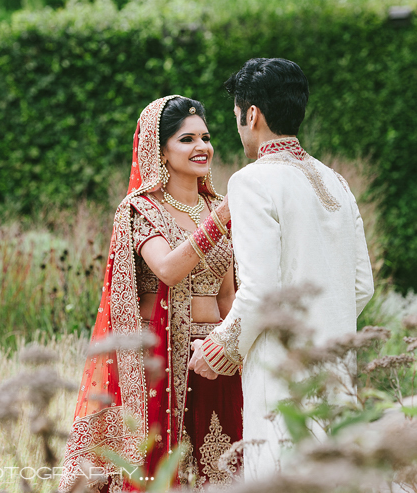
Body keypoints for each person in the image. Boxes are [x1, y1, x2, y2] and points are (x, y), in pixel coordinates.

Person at [188, 58, 375, 478]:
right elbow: (362, 285)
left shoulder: (252, 181)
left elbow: (259, 290)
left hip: (281, 368)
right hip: (338, 366)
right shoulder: (337, 182)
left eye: (236, 115)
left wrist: (219, 349)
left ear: (251, 114)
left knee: (280, 475)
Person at [59, 96, 243, 492]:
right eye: (187, 139)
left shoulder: (216, 204)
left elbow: (229, 297)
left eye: (206, 137)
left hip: (215, 357)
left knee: (222, 471)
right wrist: (221, 220)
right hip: (160, 366)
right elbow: (168, 268)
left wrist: (235, 352)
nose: (202, 147)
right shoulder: (141, 210)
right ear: (159, 150)